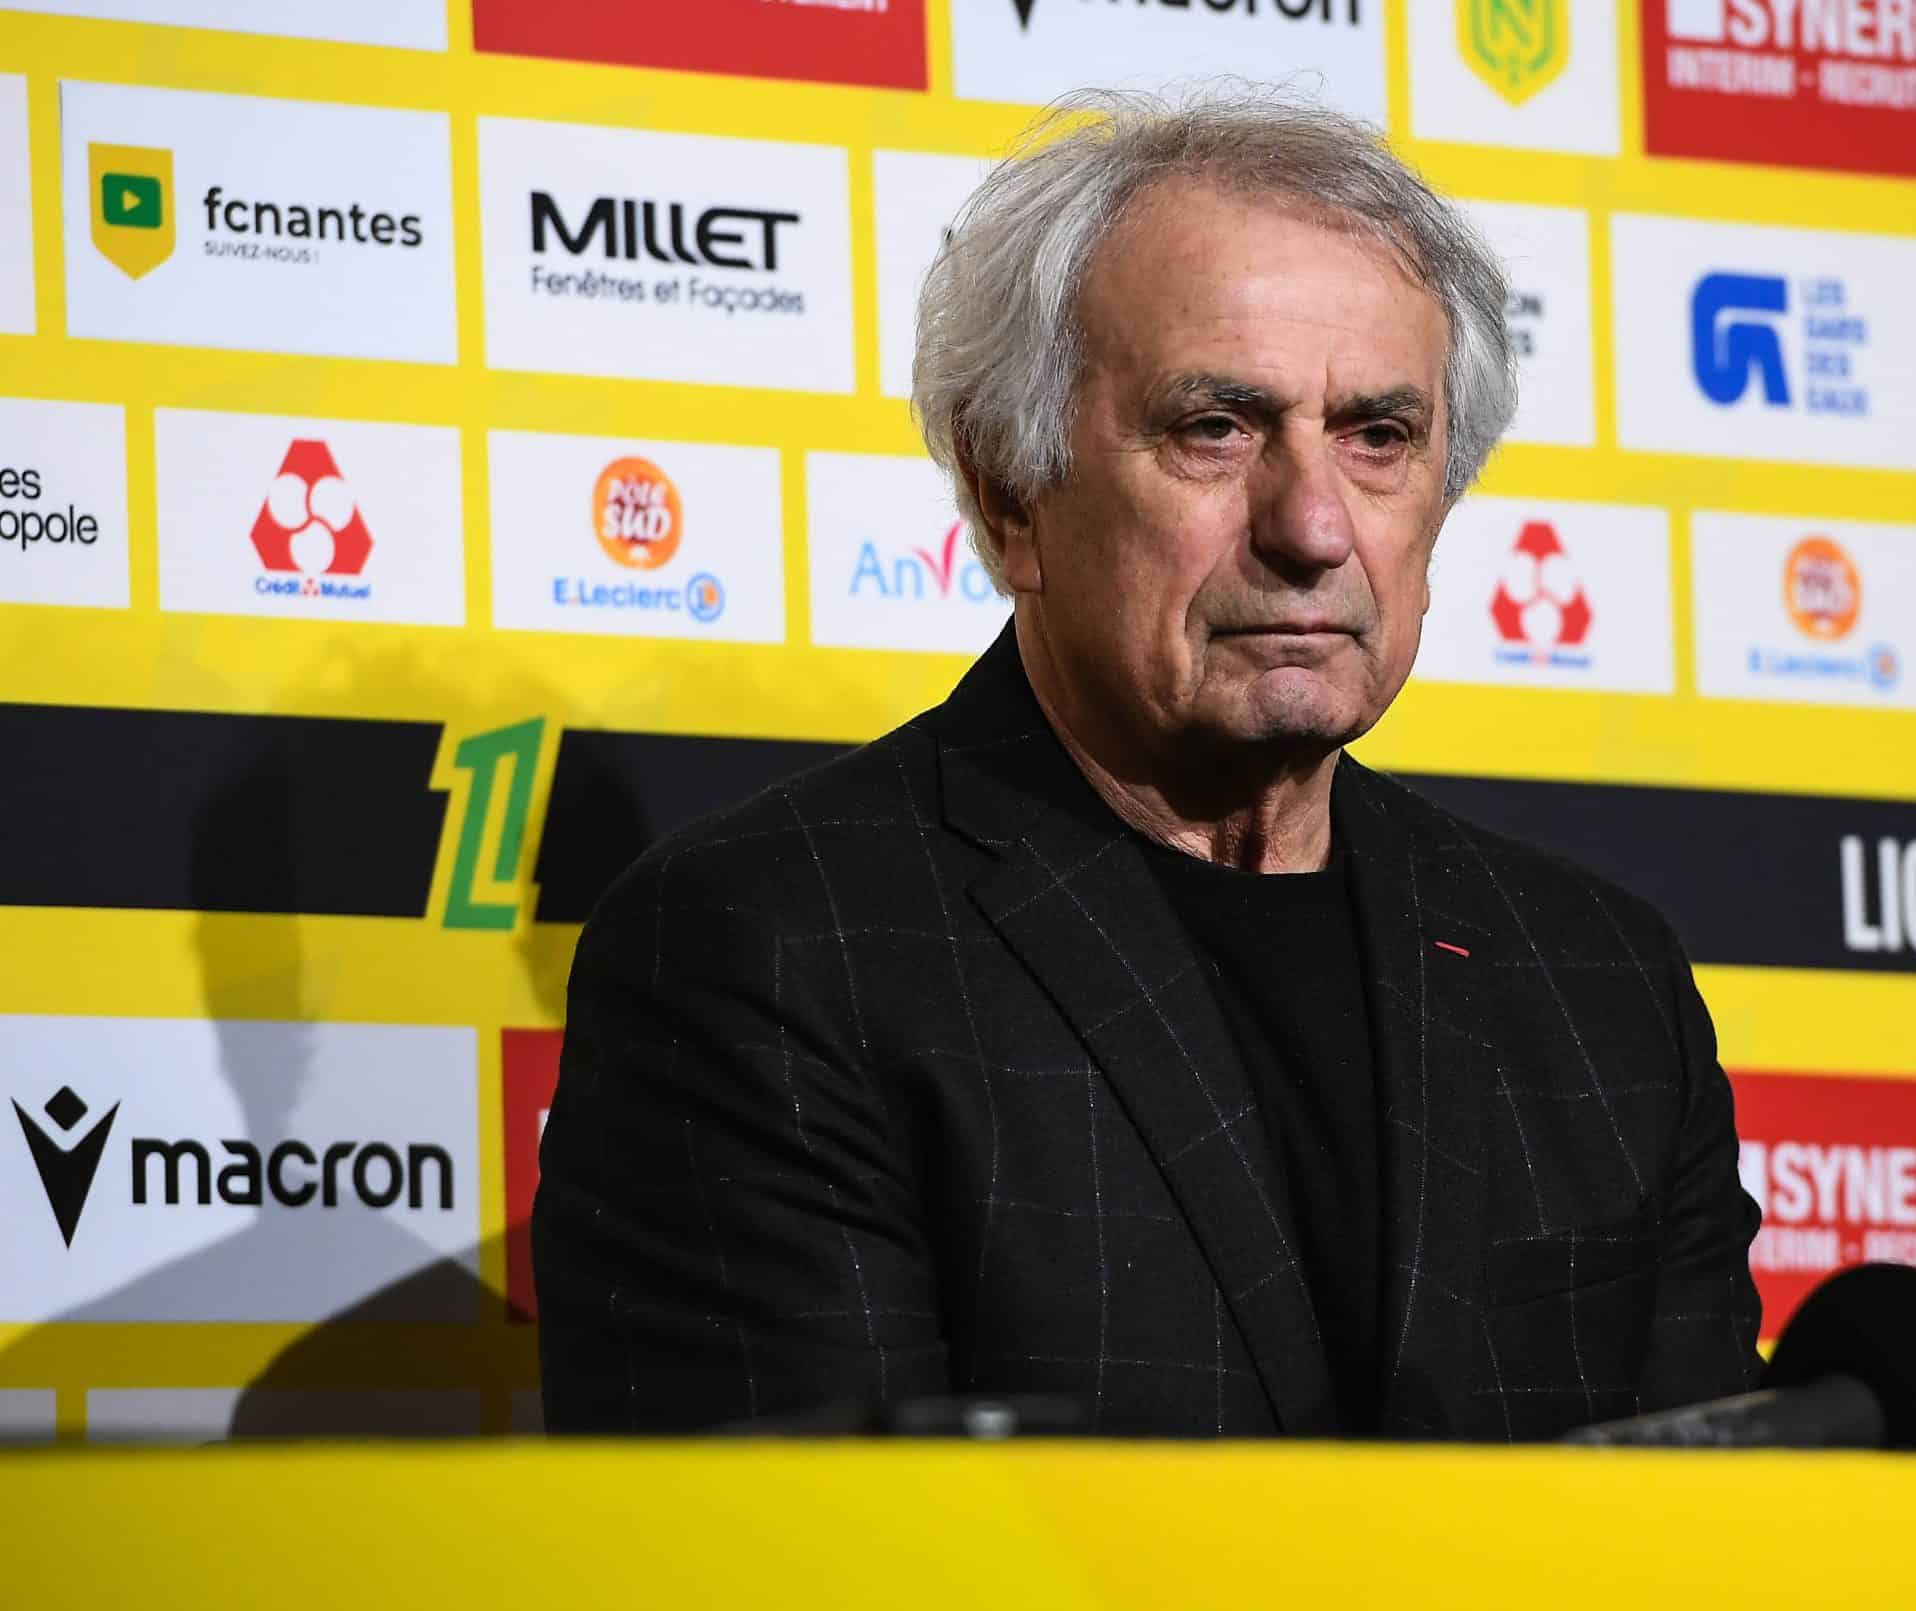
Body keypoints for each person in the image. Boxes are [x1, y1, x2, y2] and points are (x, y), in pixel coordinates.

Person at [533, 86, 1762, 1439]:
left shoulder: (1599, 983)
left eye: (1378, 436)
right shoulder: (775, 949)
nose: (1312, 527)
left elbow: (1711, 1521)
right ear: (1011, 494)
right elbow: (814, 1540)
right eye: (1214, 429)